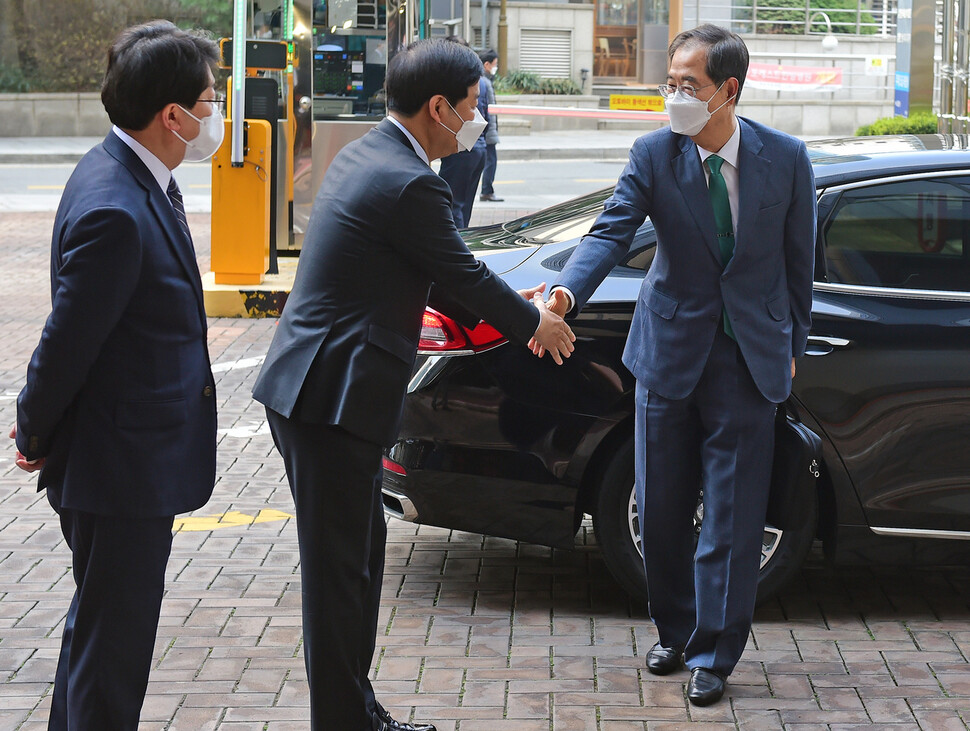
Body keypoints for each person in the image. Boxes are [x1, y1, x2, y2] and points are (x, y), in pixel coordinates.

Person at [251, 38, 575, 731]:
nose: (476, 118)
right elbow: (463, 275)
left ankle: (356, 712)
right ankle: (343, 721)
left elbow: (449, 270)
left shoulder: (373, 154)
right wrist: (535, 325)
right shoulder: (410, 181)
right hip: (329, 400)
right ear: (437, 107)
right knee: (341, 576)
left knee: (356, 564)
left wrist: (523, 304)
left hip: (324, 392)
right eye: (470, 106)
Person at [543, 24, 816, 706]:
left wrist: (791, 352)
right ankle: (674, 626)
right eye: (670, 84)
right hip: (667, 355)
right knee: (661, 507)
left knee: (733, 514)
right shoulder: (654, 154)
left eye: (687, 86)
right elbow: (611, 228)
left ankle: (715, 652)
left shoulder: (786, 159)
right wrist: (567, 291)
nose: (674, 98)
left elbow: (798, 267)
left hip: (748, 361)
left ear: (728, 90)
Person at [8, 20, 222, 730]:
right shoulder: (118, 208)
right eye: (210, 100)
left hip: (126, 459)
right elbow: (65, 343)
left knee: (97, 636)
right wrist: (34, 429)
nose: (215, 114)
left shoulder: (133, 175)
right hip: (120, 468)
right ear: (172, 116)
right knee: (112, 654)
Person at [436, 36, 488, 227]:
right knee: (464, 206)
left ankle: (457, 244)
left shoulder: (456, 80)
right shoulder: (481, 81)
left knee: (452, 205)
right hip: (478, 147)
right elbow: (487, 116)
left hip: (462, 146)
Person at [478, 49, 503, 202]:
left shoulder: (484, 81)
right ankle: (487, 191)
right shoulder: (484, 82)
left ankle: (487, 190)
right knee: (490, 162)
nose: (496, 67)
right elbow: (487, 109)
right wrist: (490, 132)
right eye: (495, 64)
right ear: (486, 64)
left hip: (487, 131)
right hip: (487, 132)